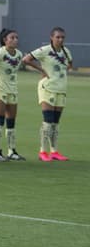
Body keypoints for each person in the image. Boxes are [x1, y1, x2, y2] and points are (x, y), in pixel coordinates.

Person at [23, 27, 72, 161]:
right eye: (58, 37)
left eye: (62, 37)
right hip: (47, 88)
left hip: (61, 89)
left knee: (56, 122)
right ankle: (42, 152)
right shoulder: (45, 50)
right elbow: (26, 59)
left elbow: (69, 65)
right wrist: (41, 70)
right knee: (48, 121)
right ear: (51, 37)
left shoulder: (66, 52)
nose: (60, 39)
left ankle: (54, 151)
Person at [0, 28, 25, 161]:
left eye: (16, 37)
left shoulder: (18, 54)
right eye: (12, 38)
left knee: (11, 121)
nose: (15, 40)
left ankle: (12, 150)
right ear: (5, 40)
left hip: (13, 89)